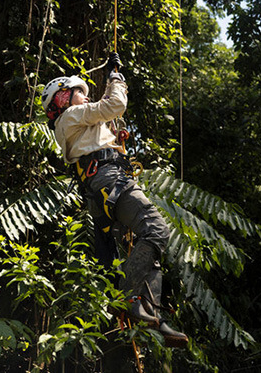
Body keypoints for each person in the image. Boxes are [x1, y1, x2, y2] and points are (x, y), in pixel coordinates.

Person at [41, 53, 188, 348]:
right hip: (110, 182)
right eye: (79, 93)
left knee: (150, 253)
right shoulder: (71, 116)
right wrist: (116, 78)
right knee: (157, 230)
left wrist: (114, 137)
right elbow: (115, 105)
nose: (85, 98)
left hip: (106, 187)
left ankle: (153, 317)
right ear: (63, 99)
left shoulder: (77, 122)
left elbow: (104, 113)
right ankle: (127, 295)